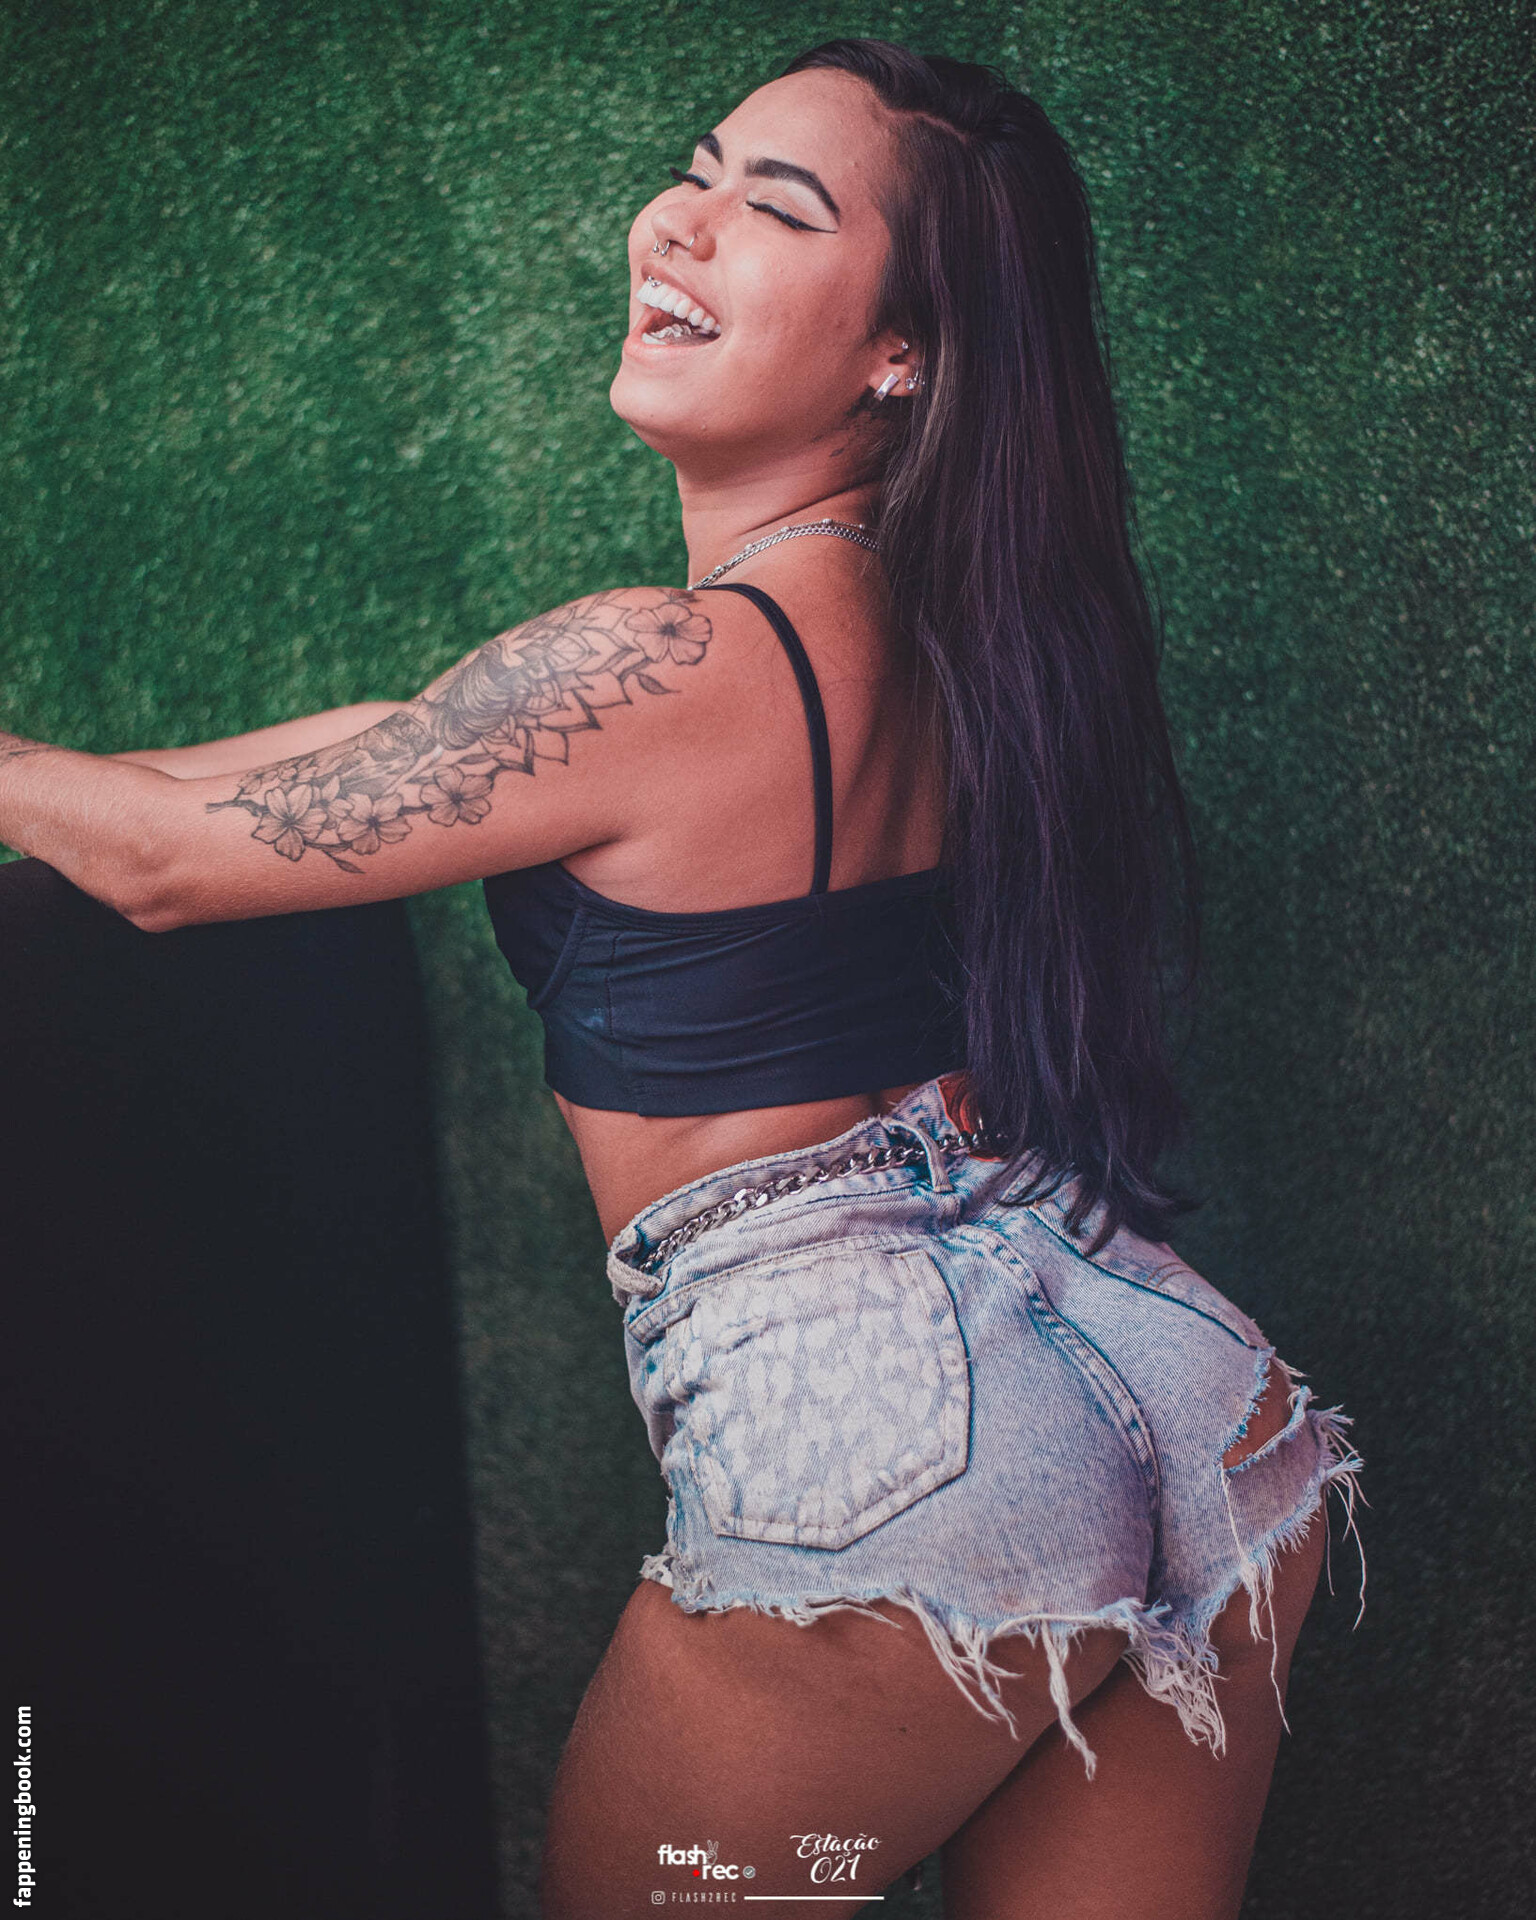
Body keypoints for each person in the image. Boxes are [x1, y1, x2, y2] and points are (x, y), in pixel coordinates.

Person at [0, 38, 1366, 1918]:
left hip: (891, 1446)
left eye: (775, 210)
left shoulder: (667, 663)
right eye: (700, 168)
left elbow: (166, 868)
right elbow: (347, 763)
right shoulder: (967, 627)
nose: (680, 223)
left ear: (904, 355)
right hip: (1174, 1380)